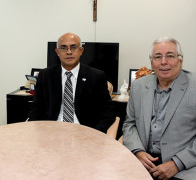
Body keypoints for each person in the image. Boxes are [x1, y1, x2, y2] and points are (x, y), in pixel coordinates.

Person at [123, 36, 196, 180]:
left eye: (170, 56)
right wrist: (138, 152)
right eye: (157, 57)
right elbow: (129, 124)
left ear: (180, 59)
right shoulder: (138, 86)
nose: (163, 62)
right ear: (151, 62)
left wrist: (177, 163)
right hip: (142, 162)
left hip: (185, 168)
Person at [29, 33, 115, 132]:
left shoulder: (96, 76)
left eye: (73, 47)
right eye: (63, 48)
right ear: (57, 52)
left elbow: (108, 113)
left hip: (85, 132)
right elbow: (36, 110)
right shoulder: (45, 75)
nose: (69, 52)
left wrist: (94, 134)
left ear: (81, 51)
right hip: (52, 131)